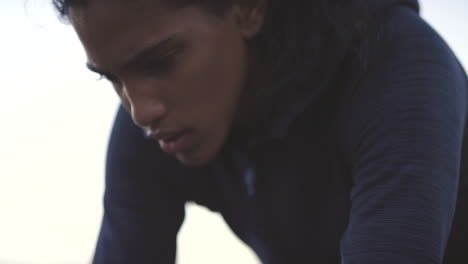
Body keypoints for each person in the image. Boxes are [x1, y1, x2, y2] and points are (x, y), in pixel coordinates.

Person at [53, 0, 468, 263]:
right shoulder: (161, 123)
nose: (140, 110)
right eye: (111, 78)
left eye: (160, 62)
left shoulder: (397, 70)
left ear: (248, 8)